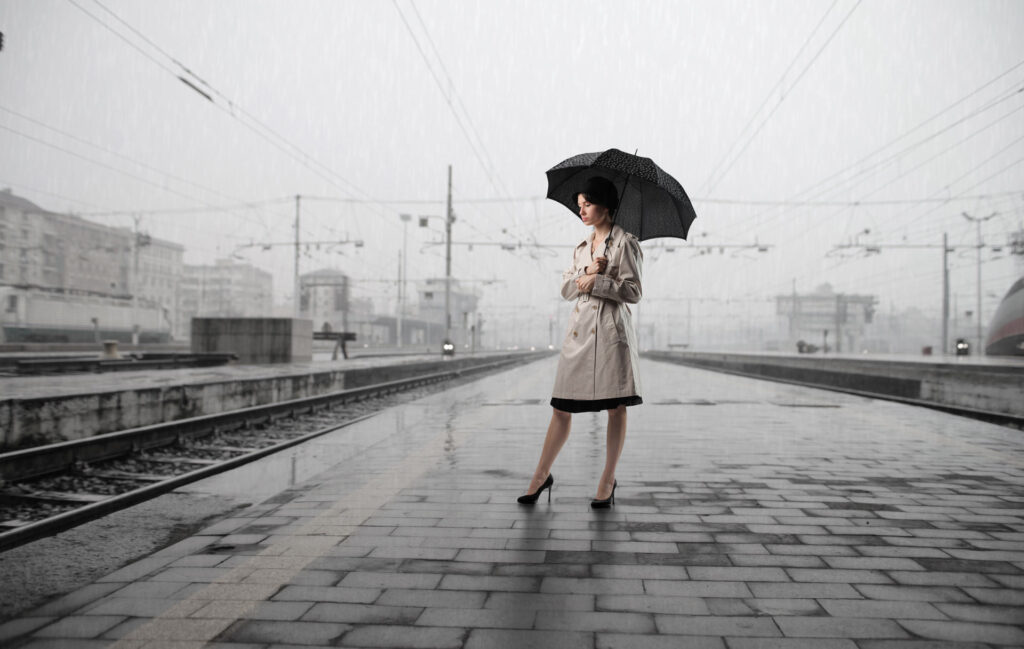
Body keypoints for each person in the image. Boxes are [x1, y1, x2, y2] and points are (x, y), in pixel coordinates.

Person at [518, 176, 643, 509]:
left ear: (606, 205)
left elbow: (633, 292)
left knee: (616, 409)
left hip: (610, 333)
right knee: (561, 408)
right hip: (578, 333)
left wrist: (599, 281)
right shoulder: (580, 248)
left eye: (587, 204)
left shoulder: (626, 243)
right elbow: (565, 289)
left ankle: (607, 479)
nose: (582, 211)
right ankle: (541, 475)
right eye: (579, 206)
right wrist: (587, 270)